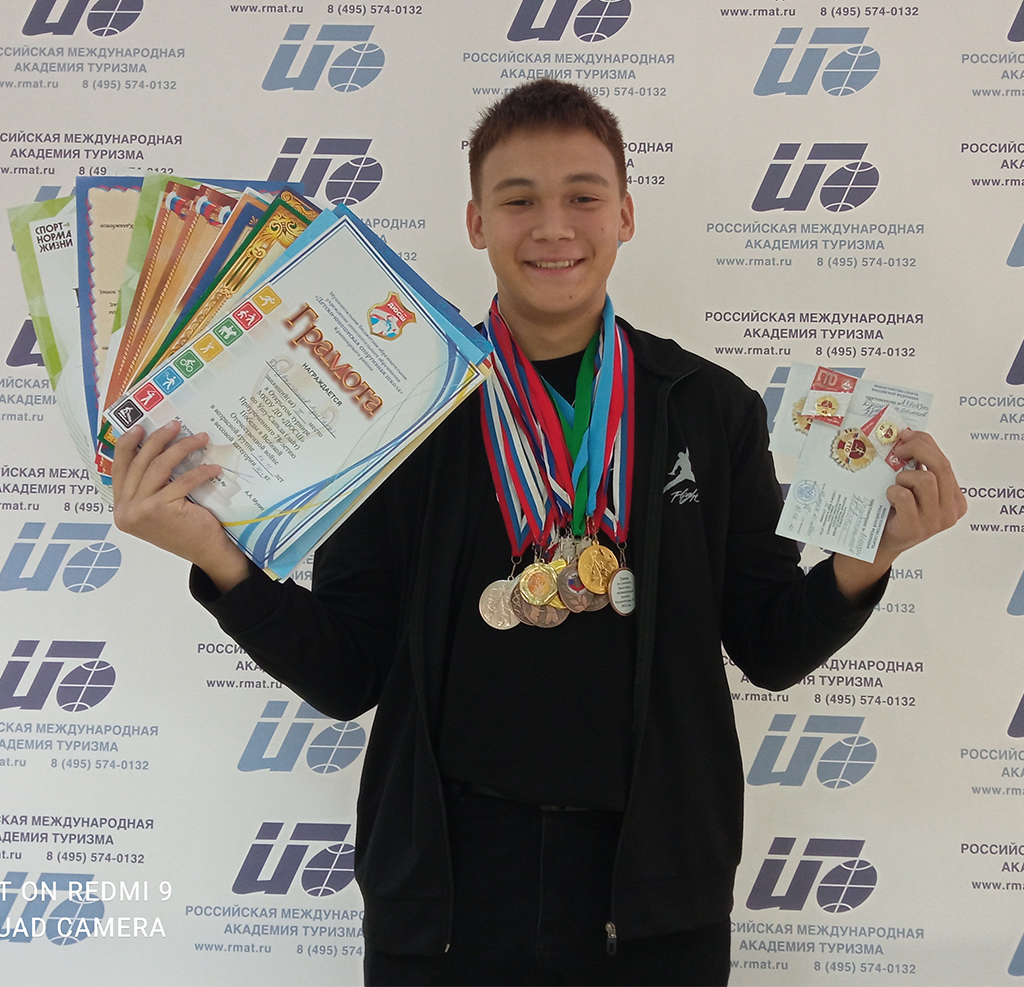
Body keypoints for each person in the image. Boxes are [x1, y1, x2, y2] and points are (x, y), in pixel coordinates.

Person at [112, 79, 965, 986]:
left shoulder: (708, 408)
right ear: (476, 222)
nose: (553, 227)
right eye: (518, 200)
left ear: (625, 214)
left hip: (654, 893)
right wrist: (218, 559)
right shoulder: (402, 413)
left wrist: (869, 558)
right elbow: (347, 672)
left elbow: (769, 646)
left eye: (583, 197)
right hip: (447, 898)